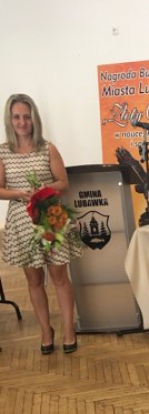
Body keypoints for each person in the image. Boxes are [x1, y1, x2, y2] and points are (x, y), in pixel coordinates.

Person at [0, 94, 82, 353]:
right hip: (21, 222)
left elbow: (63, 183)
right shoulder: (2, 152)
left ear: (34, 119)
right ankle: (46, 331)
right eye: (17, 117)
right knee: (34, 279)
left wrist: (42, 190)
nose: (22, 122)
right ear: (9, 120)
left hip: (50, 218)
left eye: (27, 116)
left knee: (59, 276)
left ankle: (68, 329)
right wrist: (19, 193)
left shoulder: (48, 148)